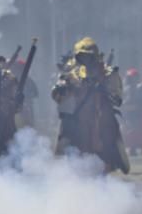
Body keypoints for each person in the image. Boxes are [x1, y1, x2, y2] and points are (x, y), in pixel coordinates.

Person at [52, 37, 129, 174]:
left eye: (89, 57)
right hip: (77, 120)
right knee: (67, 134)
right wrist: (66, 88)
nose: (86, 60)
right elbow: (57, 96)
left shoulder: (108, 73)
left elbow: (117, 99)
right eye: (83, 56)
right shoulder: (71, 73)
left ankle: (116, 158)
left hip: (101, 117)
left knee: (112, 133)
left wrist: (104, 88)